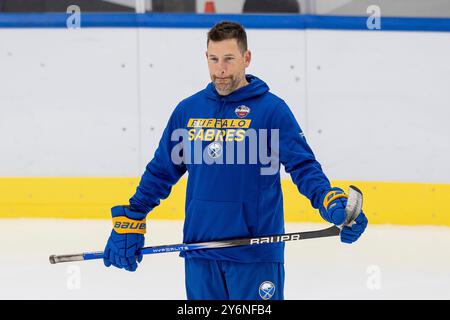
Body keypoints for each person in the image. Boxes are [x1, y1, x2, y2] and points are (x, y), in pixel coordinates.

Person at [102, 21, 368, 300]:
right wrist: (132, 217)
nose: (220, 69)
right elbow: (160, 172)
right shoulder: (188, 111)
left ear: (246, 58)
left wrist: (329, 200)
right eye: (214, 59)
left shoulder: (271, 111)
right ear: (206, 58)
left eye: (229, 59)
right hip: (200, 252)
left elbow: (302, 167)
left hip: (255, 256)